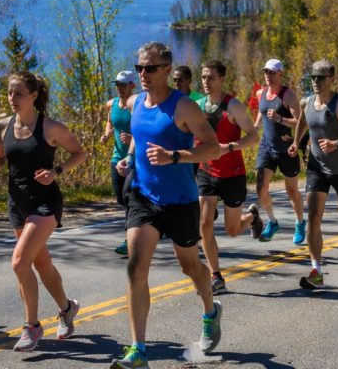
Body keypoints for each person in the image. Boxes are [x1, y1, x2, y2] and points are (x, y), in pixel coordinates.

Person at [112, 42, 224, 369]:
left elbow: (213, 149)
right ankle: (138, 350)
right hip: (144, 196)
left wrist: (173, 156)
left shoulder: (184, 107)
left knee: (190, 266)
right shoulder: (134, 102)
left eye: (149, 68)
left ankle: (210, 309)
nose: (142, 74)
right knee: (136, 267)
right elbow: (138, 135)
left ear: (165, 70)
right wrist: (130, 157)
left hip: (181, 200)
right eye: (139, 68)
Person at [0, 71, 87, 352]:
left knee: (20, 262)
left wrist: (57, 171)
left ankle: (32, 326)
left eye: (19, 93)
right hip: (17, 203)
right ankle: (67, 308)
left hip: (45, 203)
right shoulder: (3, 125)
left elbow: (80, 153)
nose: (12, 98)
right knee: (40, 264)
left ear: (33, 96)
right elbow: (0, 158)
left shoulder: (51, 127)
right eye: (10, 93)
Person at [289, 60, 338, 290]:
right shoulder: (306, 102)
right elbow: (303, 122)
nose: (315, 81)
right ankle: (316, 271)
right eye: (313, 77)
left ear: (332, 79)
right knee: (313, 217)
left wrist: (337, 143)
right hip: (316, 167)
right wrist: (296, 143)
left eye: (321, 77)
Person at [195, 60, 266, 295]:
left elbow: (254, 137)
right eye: (204, 77)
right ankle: (216, 276)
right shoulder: (196, 106)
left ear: (222, 79)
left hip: (233, 175)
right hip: (207, 172)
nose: (206, 81)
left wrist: (231, 147)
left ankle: (252, 217)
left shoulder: (232, 105)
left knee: (233, 230)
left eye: (211, 77)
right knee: (205, 225)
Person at [253, 59, 305, 243]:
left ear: (280, 74)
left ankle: (300, 223)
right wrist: (256, 125)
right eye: (266, 71)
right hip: (266, 146)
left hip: (286, 148)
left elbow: (300, 122)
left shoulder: (288, 96)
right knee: (261, 188)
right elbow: (262, 110)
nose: (268, 75)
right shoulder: (261, 93)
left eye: (272, 72)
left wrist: (279, 119)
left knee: (292, 192)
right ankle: (272, 222)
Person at [102, 71, 140, 256]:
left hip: (135, 158)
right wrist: (108, 134)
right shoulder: (112, 104)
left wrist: (132, 138)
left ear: (133, 85)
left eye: (123, 84)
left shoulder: (139, 104)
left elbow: (145, 129)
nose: (119, 88)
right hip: (117, 158)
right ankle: (146, 223)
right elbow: (110, 121)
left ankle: (130, 239)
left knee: (128, 196)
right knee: (120, 197)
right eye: (117, 84)